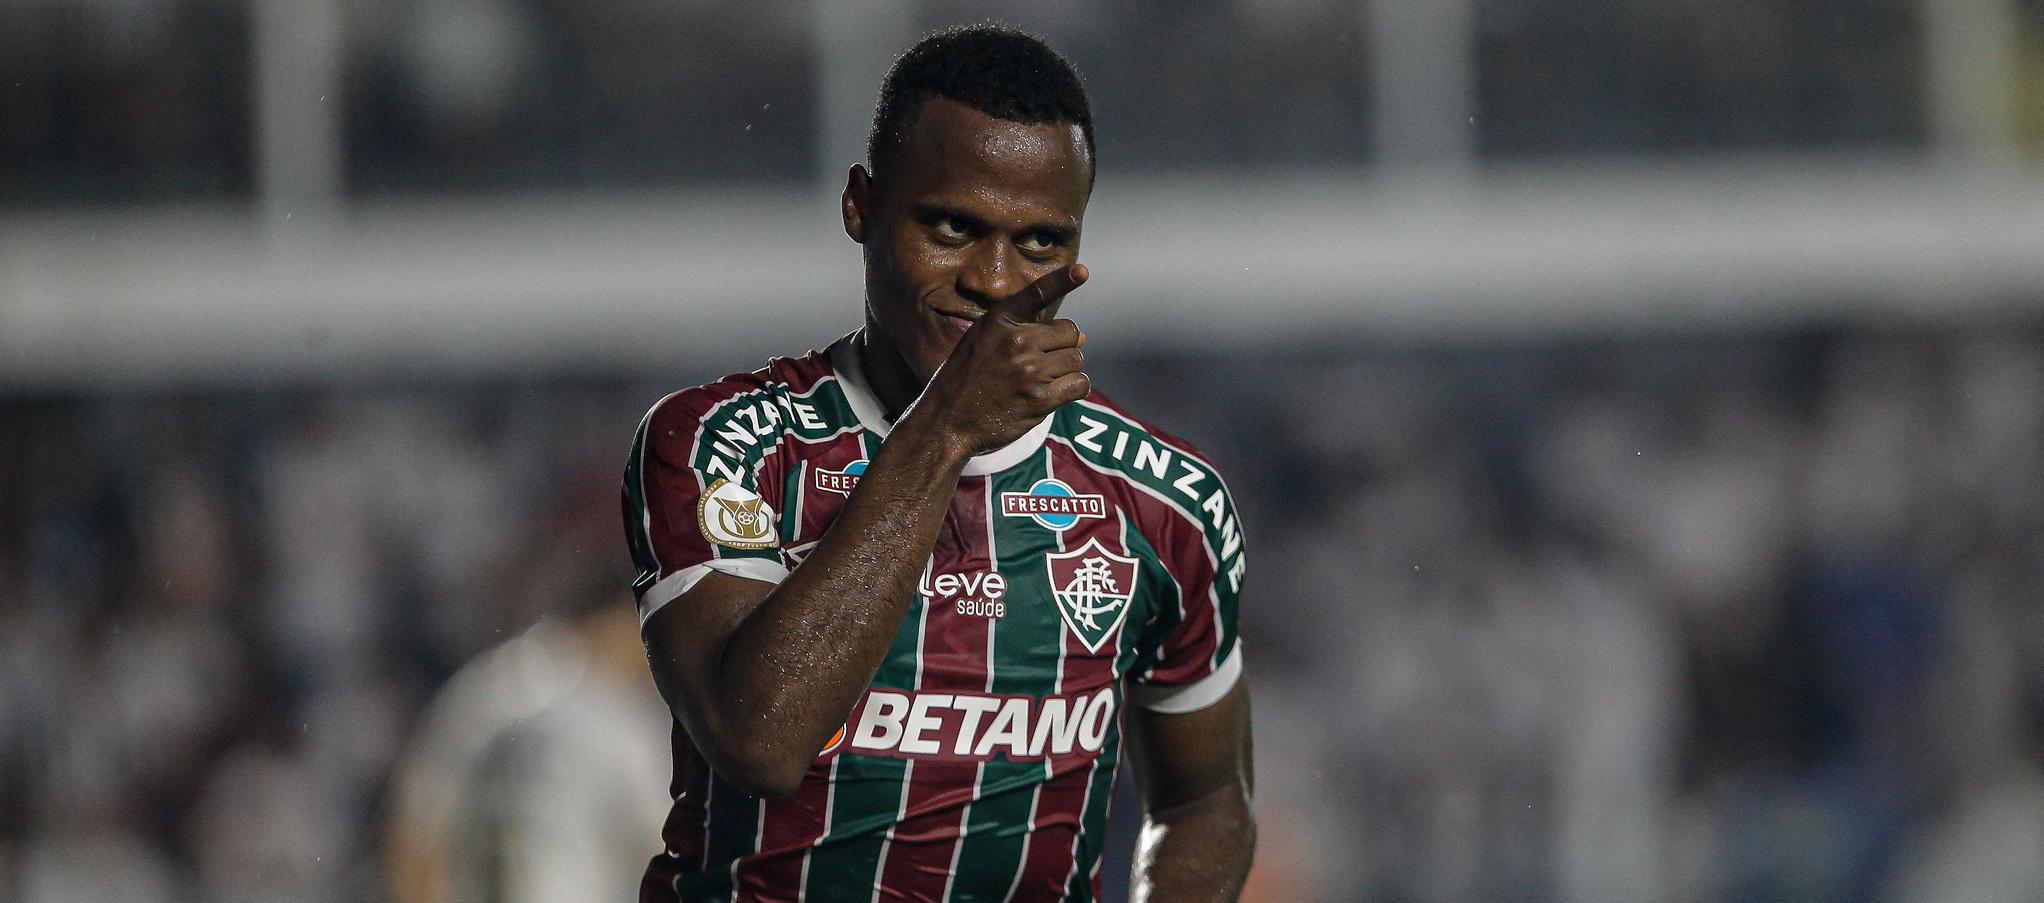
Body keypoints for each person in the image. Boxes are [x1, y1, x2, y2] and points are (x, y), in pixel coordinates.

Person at [622, 25, 1252, 902]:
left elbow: (1206, 799)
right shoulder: (724, 442)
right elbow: (759, 738)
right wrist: (949, 426)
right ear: (861, 207)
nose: (994, 280)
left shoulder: (1164, 501)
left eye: (1039, 242)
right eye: (954, 227)